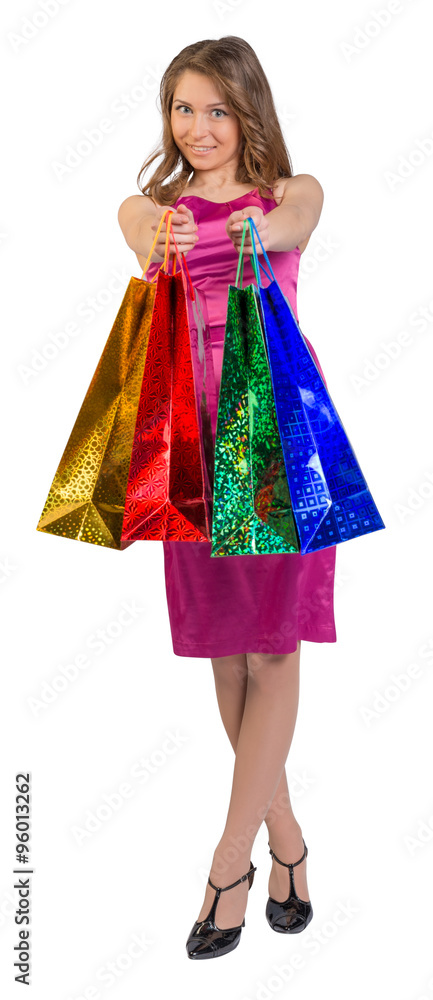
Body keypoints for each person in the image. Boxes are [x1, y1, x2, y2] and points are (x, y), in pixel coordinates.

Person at [118, 35, 337, 960]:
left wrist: (249, 230)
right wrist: (156, 230)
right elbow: (136, 229)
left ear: (250, 111)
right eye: (182, 108)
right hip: (190, 447)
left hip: (276, 441)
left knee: (273, 649)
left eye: (216, 108)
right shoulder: (151, 208)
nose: (197, 127)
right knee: (225, 653)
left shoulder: (291, 195)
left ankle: (228, 864)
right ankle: (288, 846)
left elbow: (291, 226)